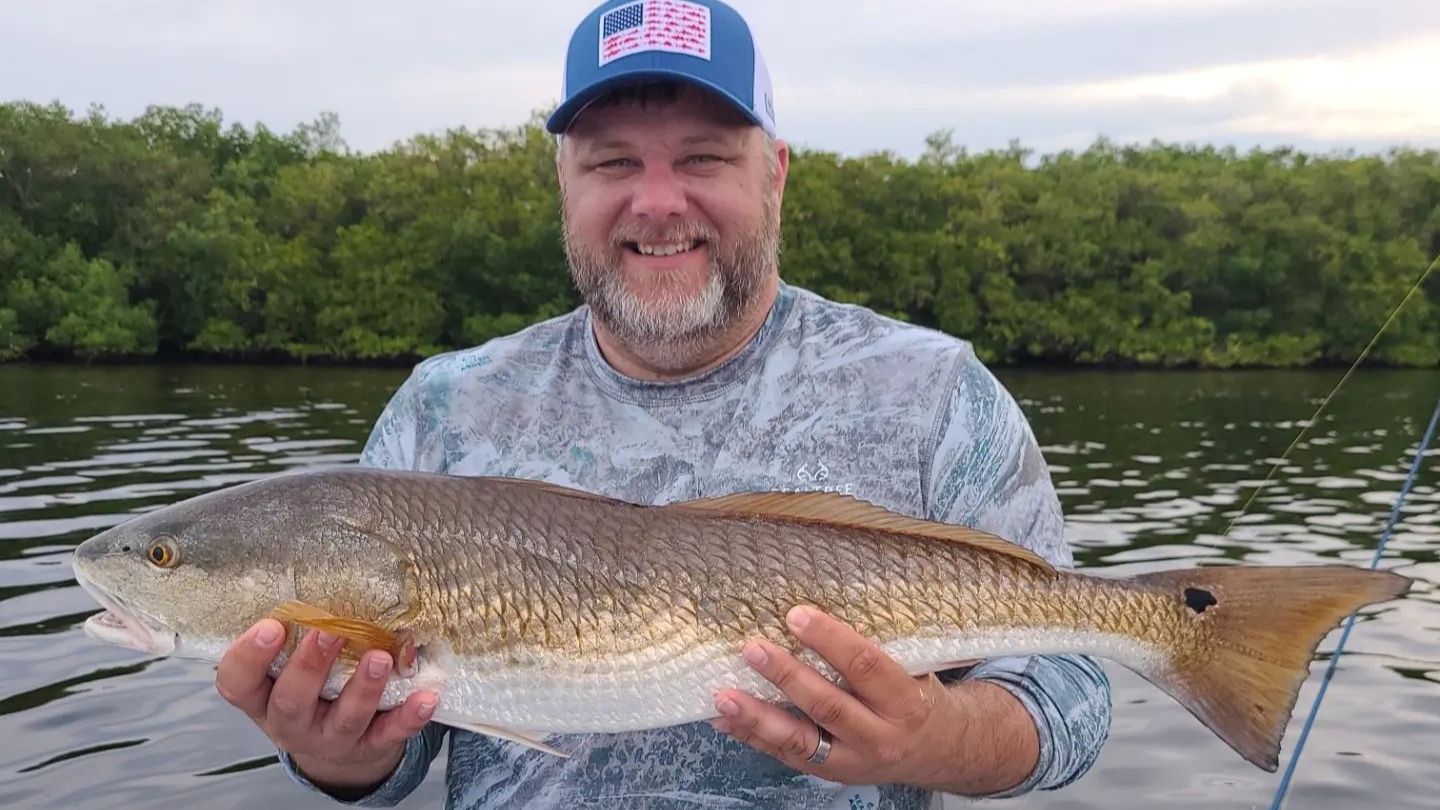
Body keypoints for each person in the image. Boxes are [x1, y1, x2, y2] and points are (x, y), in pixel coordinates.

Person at [213, 0, 1113, 807]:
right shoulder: (444, 407)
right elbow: (390, 765)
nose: (656, 201)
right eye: (612, 162)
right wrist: (332, 752)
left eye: (703, 157)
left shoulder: (934, 393)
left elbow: (1068, 694)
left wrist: (938, 738)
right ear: (564, 183)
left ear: (776, 174)